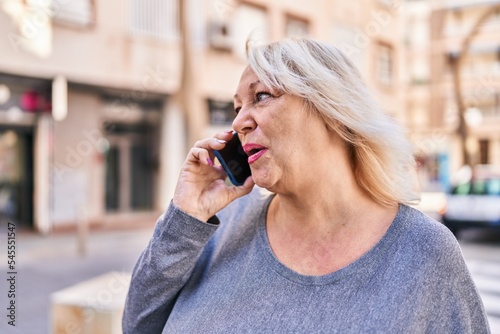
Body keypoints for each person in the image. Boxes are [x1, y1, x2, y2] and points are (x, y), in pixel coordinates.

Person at [122, 37, 490, 333]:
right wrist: (187, 216)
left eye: (261, 96)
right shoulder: (221, 225)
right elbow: (139, 325)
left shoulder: (424, 252)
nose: (238, 123)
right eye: (236, 108)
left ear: (332, 109)